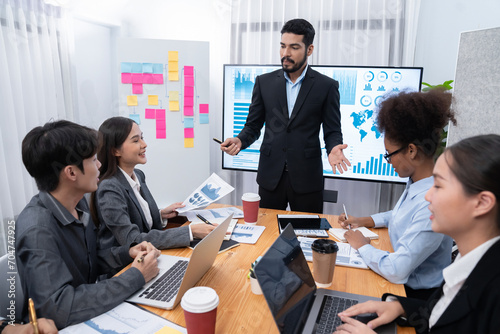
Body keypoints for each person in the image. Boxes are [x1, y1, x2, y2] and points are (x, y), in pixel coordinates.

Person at [334, 134, 500, 334]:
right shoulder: (469, 262)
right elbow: (444, 309)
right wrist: (401, 307)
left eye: (438, 186)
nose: (428, 196)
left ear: (482, 203)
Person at [16, 120, 161, 329]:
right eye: (93, 160)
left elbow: (88, 259)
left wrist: (126, 252)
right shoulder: (37, 230)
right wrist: (136, 275)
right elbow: (60, 308)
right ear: (71, 173)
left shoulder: (78, 203)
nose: (100, 165)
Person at [221, 18, 350, 214]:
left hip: (307, 178)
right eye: (282, 46)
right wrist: (240, 140)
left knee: (308, 235)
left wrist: (334, 147)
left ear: (309, 49)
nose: (285, 53)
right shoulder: (264, 83)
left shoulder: (327, 86)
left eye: (294, 47)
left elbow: (332, 130)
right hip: (270, 177)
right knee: (266, 234)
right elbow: (253, 126)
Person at [338, 90, 456, 300]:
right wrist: (362, 220)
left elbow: (397, 269)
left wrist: (362, 245)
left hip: (414, 297)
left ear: (411, 151)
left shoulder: (432, 203)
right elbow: (400, 214)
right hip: (401, 283)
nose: (389, 161)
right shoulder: (419, 184)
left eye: (389, 155)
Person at [91, 117, 215, 270]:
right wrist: (191, 231)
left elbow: (138, 219)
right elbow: (134, 240)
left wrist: (161, 214)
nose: (144, 144)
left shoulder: (138, 175)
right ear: (115, 150)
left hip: (150, 256)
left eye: (142, 138)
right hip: (125, 269)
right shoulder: (109, 188)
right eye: (136, 141)